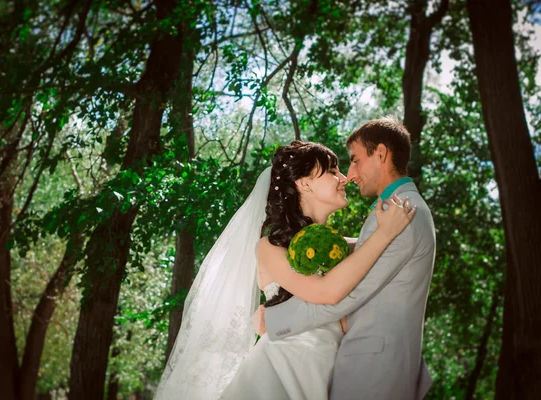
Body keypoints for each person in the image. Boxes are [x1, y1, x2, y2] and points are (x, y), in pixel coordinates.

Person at [155, 140, 414, 400]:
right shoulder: (269, 248)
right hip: (281, 369)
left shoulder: (349, 250)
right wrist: (384, 234)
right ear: (304, 183)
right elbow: (327, 292)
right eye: (333, 171)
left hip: (335, 370)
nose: (344, 178)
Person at [260, 117, 436, 400]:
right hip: (336, 364)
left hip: (373, 371)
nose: (350, 175)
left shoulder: (402, 213)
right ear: (303, 184)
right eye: (337, 169)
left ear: (380, 154)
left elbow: (345, 294)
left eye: (354, 161)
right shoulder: (391, 212)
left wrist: (274, 318)